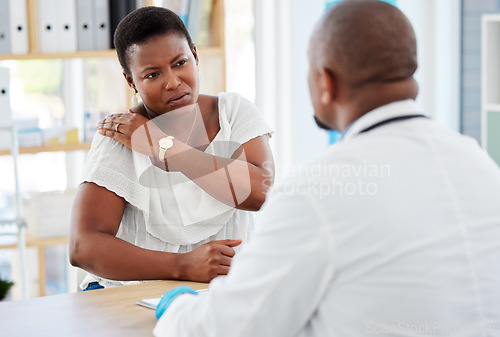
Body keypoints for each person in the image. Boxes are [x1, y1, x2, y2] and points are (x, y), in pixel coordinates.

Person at [152, 1, 500, 336]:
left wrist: (176, 306)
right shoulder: (479, 164)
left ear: (326, 82)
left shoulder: (318, 189)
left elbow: (226, 328)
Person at [69, 6, 274, 289]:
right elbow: (83, 247)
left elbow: (261, 193)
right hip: (131, 294)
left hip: (219, 294)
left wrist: (163, 147)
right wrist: (184, 266)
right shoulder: (119, 135)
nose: (173, 82)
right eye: (153, 75)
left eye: (180, 63)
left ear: (195, 55)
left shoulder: (234, 113)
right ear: (132, 81)